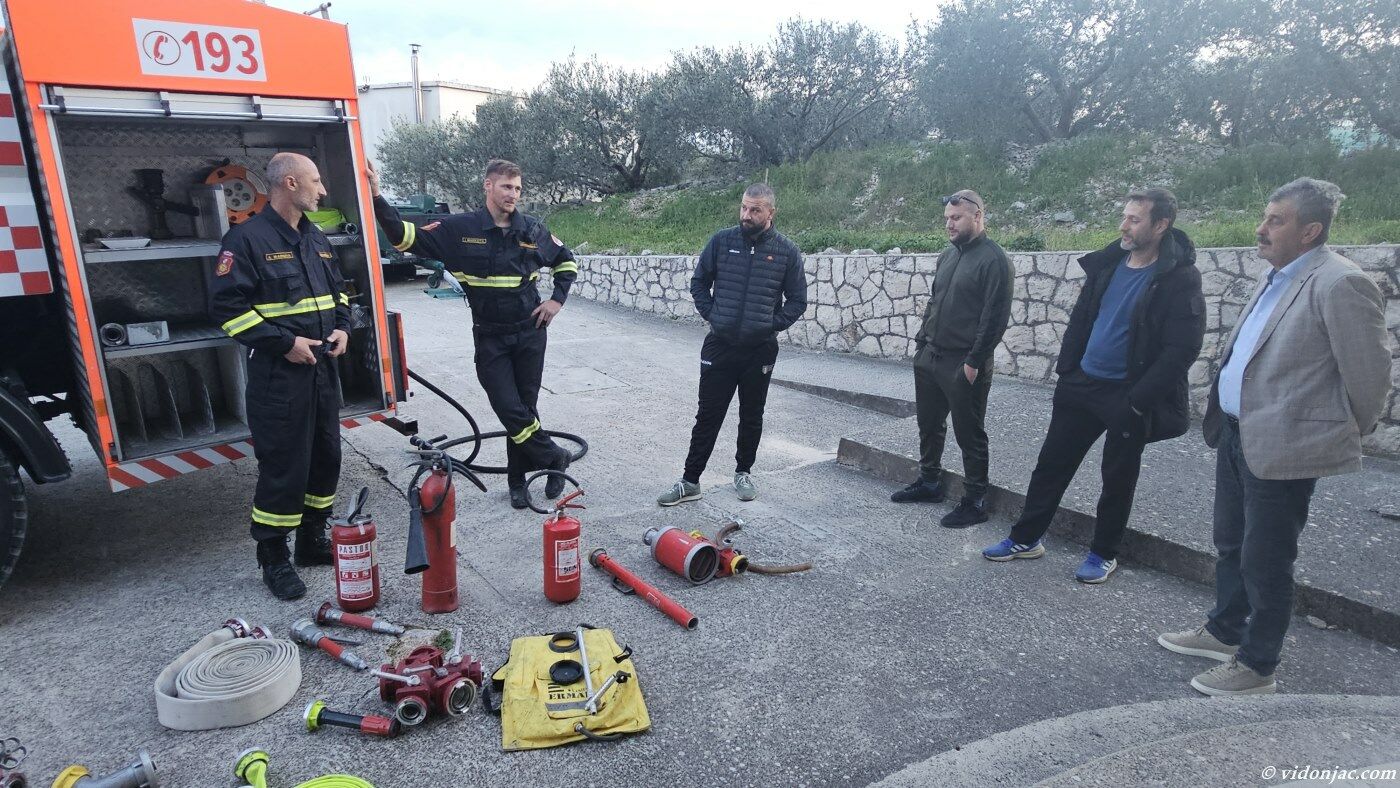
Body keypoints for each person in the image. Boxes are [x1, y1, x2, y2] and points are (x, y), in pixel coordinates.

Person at [1159, 178, 1390, 696]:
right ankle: (1224, 631)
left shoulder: (1340, 283)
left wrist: (1331, 431)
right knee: (1231, 542)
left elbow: (1370, 376)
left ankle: (1258, 664)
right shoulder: (1278, 275)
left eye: (1276, 220)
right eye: (1265, 217)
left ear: (1310, 231)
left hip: (1286, 446)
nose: (1261, 229)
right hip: (1237, 434)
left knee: (1266, 558)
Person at [982, 188, 1205, 583]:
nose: (1124, 225)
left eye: (1134, 219)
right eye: (1125, 216)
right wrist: (1068, 371)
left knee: (1117, 479)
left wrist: (1137, 401)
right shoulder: (1109, 263)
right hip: (1081, 384)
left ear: (1160, 225)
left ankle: (1103, 554)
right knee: (1051, 466)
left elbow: (1181, 349)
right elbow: (1082, 319)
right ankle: (1026, 538)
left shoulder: (1178, 277)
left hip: (1127, 395)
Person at [367, 159, 578, 510]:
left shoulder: (531, 229)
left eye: (518, 188)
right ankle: (554, 456)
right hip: (490, 336)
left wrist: (557, 300)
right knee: (508, 406)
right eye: (507, 186)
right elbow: (404, 238)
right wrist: (377, 197)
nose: (513, 194)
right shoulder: (458, 229)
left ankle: (518, 480)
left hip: (530, 333)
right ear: (488, 186)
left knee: (524, 408)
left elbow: (566, 261)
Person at [209, 152, 350, 600]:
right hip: (279, 376)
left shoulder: (315, 237)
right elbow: (227, 309)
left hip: (322, 371)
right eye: (315, 181)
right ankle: (273, 556)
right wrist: (284, 343)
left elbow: (339, 292)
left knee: (326, 457)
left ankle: (311, 540)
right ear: (290, 183)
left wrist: (343, 327)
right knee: (285, 466)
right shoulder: (245, 240)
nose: (322, 190)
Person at [656, 183, 807, 506]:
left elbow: (797, 300)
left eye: (755, 210)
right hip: (720, 345)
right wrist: (715, 316)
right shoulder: (721, 242)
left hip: (760, 349)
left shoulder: (786, 251)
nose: (746, 215)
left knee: (752, 415)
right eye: (744, 207)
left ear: (771, 212)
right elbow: (699, 283)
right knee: (708, 415)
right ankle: (690, 481)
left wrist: (769, 325)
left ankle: (743, 473)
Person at [890, 190, 1013, 528]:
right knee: (929, 425)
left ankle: (975, 501)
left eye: (956, 218)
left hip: (964, 363)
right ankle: (929, 482)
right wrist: (921, 344)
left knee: (969, 434)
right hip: (931, 355)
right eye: (947, 218)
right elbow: (934, 301)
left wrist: (974, 362)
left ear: (978, 216)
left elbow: (995, 317)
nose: (949, 224)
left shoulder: (994, 260)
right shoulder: (948, 255)